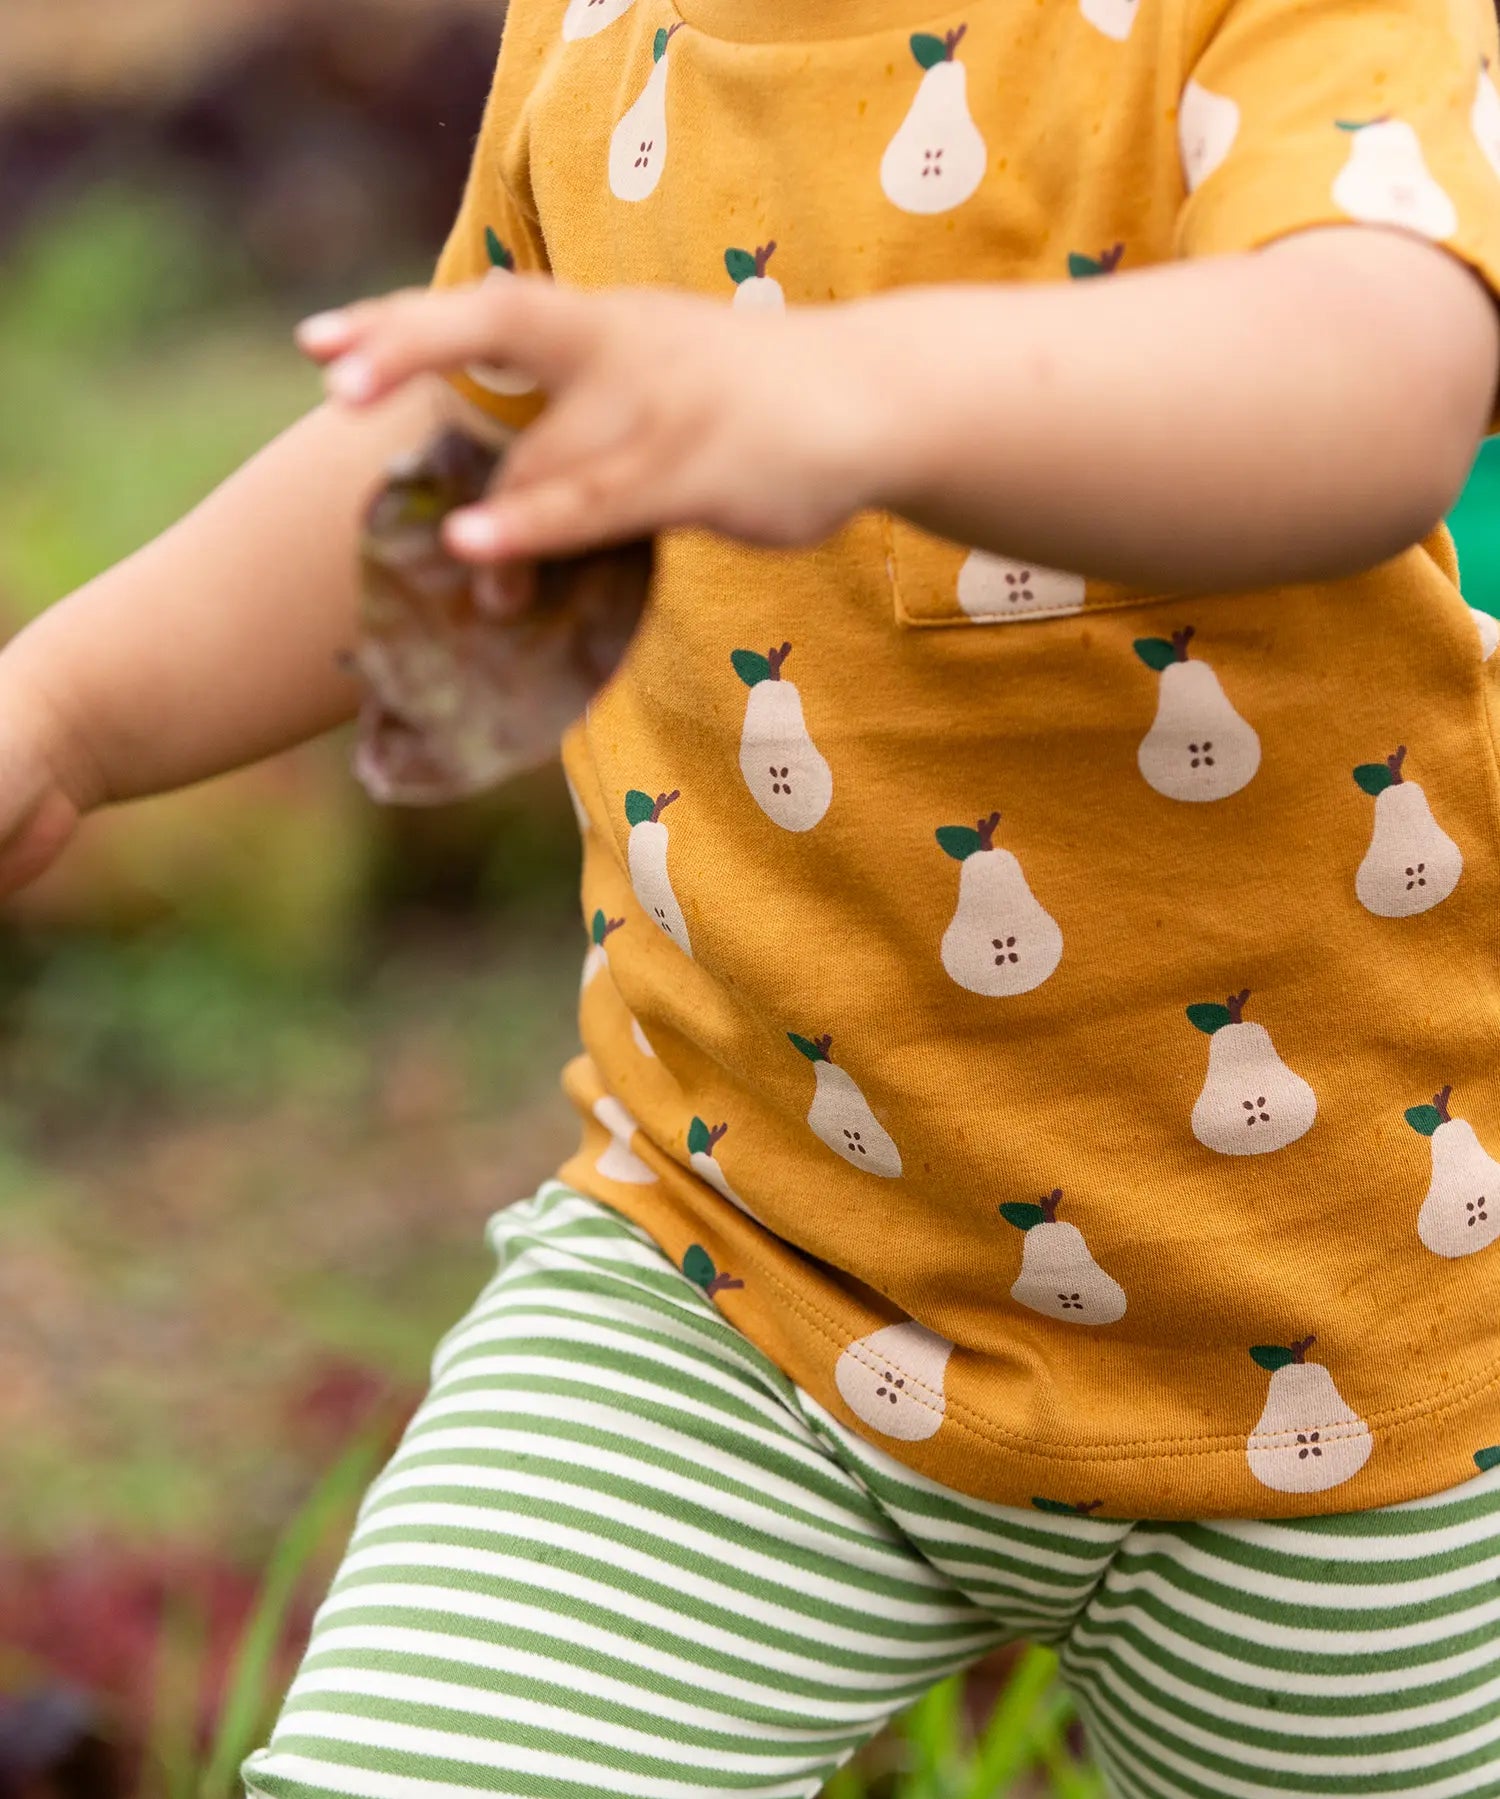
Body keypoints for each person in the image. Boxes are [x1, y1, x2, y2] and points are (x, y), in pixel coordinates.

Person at [8, 0, 1500, 1792]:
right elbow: (470, 469)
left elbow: (1376, 376)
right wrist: (68, 706)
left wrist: (852, 393)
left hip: (1383, 1368)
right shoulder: (601, 32)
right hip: (744, 1282)